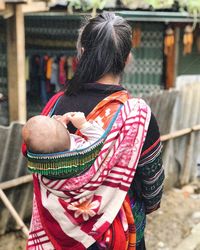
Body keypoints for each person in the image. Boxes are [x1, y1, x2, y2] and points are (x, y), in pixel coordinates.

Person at [24, 12, 164, 250]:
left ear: (81, 52)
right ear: (128, 58)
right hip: (117, 235)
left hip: (57, 234)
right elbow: (152, 188)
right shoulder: (136, 115)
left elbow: (35, 163)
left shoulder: (54, 107)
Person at [22, 112, 105, 153]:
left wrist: (61, 125)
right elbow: (100, 140)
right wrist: (83, 125)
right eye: (54, 120)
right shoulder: (79, 150)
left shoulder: (47, 164)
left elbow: (53, 135)